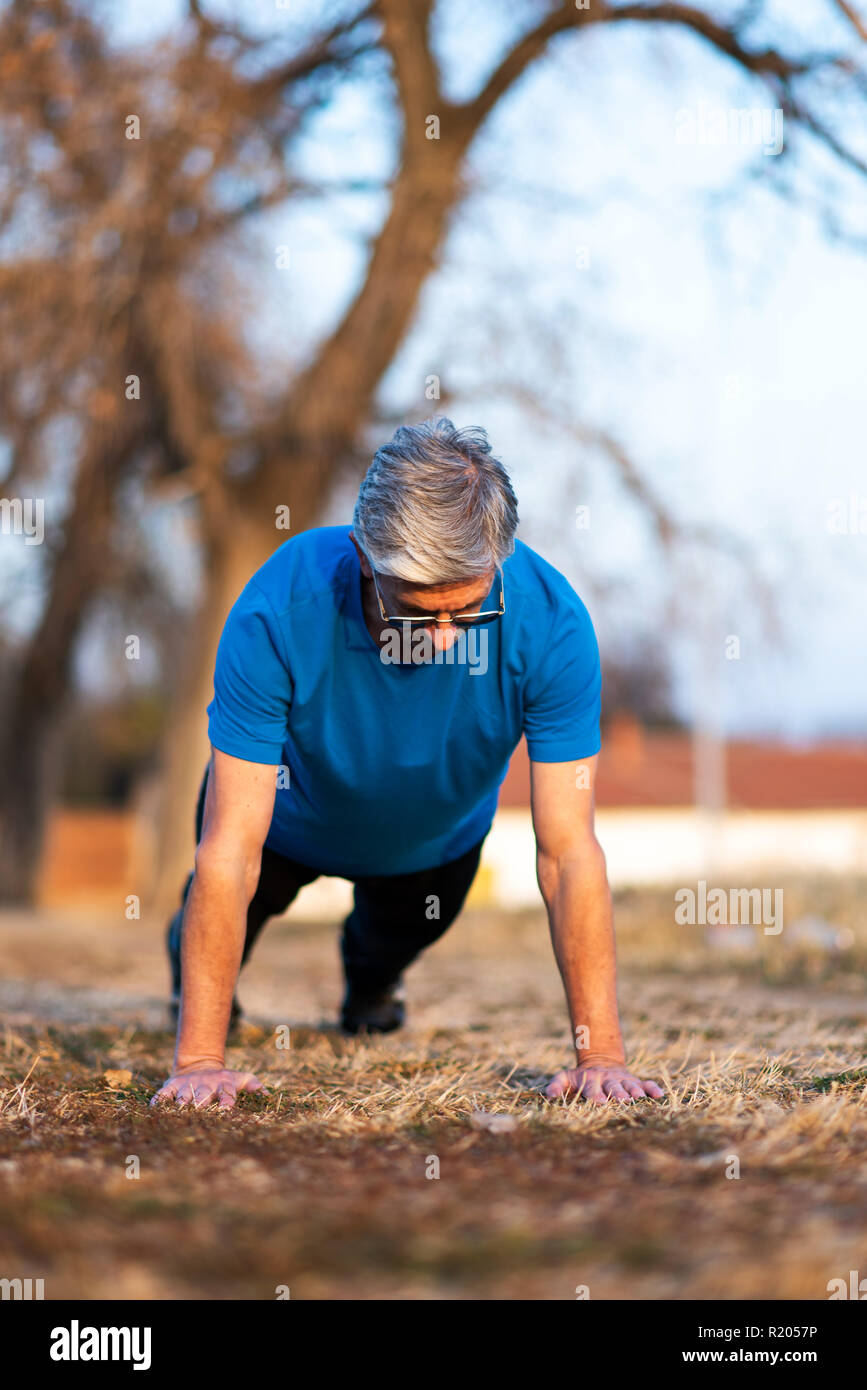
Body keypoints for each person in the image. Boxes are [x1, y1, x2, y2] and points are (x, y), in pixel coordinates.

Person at [152, 418, 664, 1111]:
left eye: (469, 610)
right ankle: (192, 963)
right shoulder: (279, 606)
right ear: (366, 560)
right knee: (213, 934)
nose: (448, 639)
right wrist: (199, 1062)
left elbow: (568, 851)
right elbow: (231, 847)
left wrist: (600, 1057)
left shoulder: (552, 624)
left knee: (390, 943)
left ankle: (367, 983)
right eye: (419, 615)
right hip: (284, 823)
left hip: (432, 840)